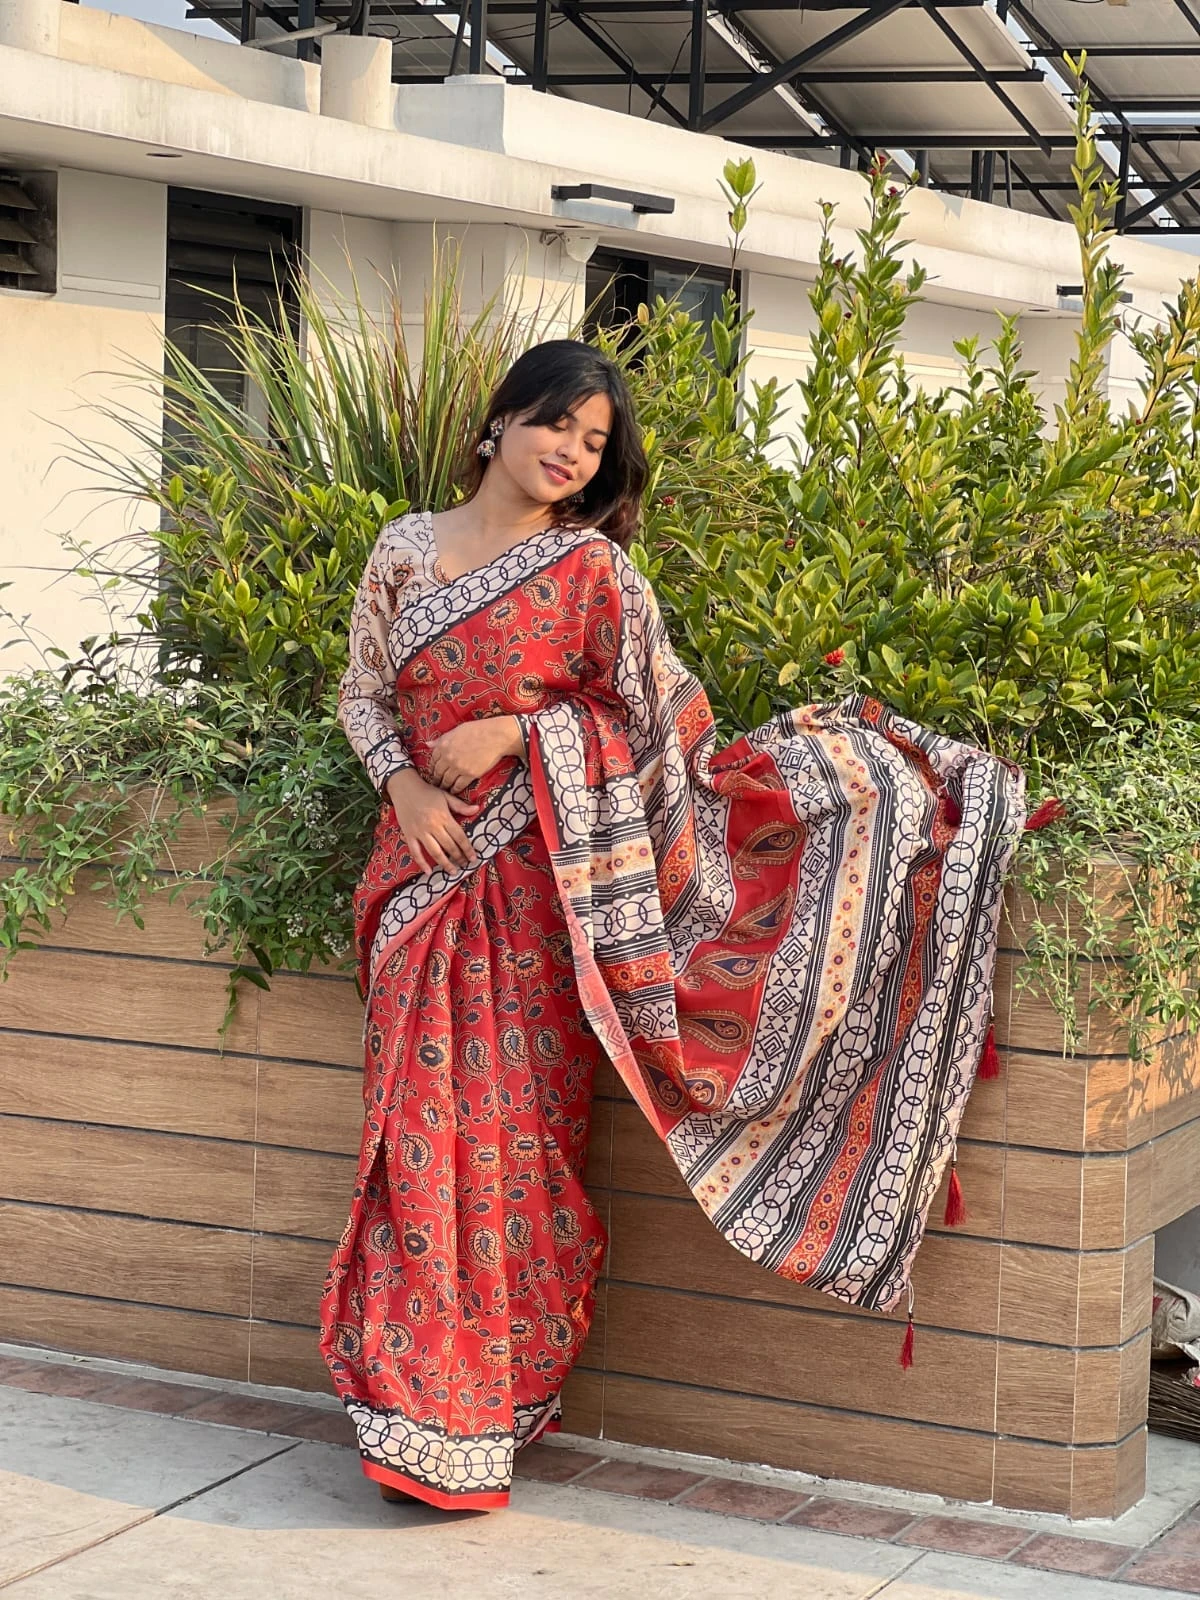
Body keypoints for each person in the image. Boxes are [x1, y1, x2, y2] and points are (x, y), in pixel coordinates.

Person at [319, 337, 1025, 1513]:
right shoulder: (403, 548)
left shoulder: (596, 574)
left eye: (595, 442)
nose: (571, 452)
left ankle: (480, 1405)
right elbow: (360, 691)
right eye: (557, 423)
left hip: (539, 901)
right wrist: (403, 786)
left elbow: (660, 733)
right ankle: (414, 1401)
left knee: (514, 1144)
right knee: (413, 1139)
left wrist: (517, 734)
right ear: (499, 421)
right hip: (418, 882)